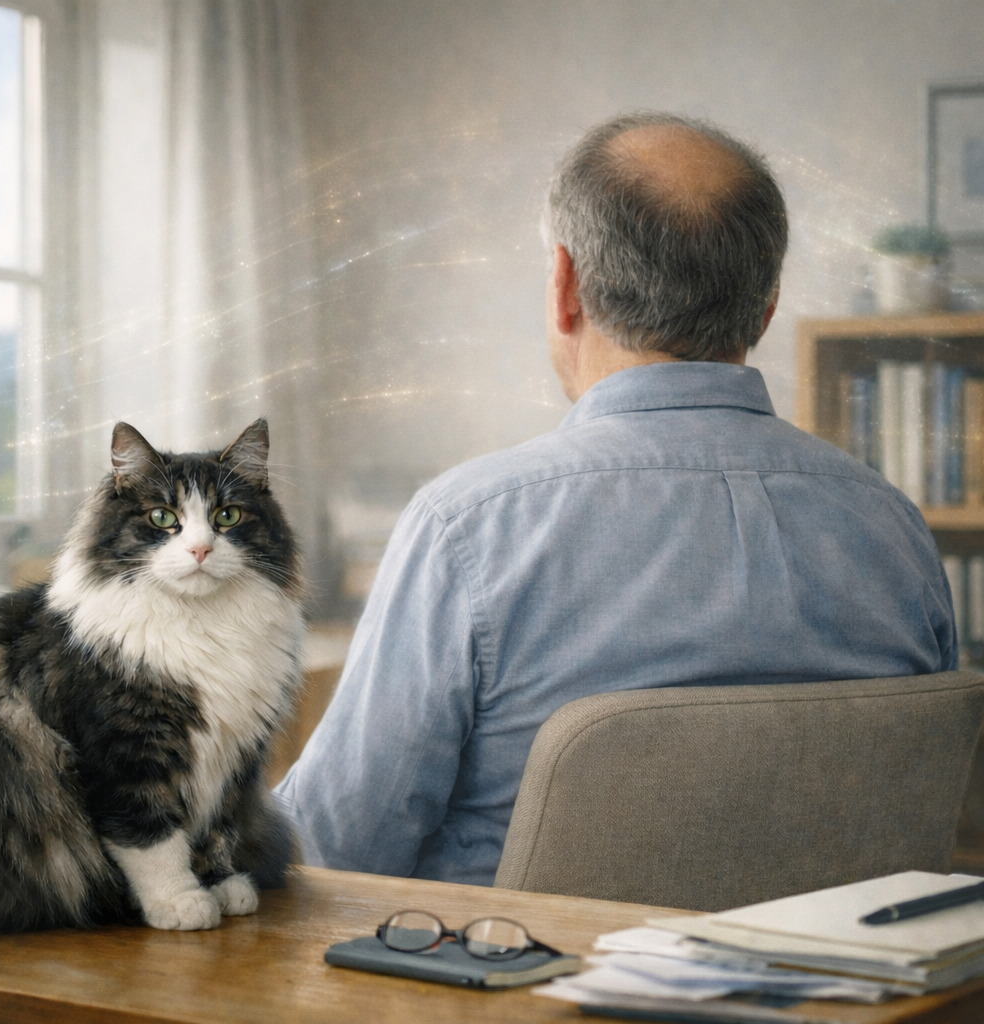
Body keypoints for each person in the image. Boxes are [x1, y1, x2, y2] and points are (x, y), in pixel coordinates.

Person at [275, 112, 956, 887]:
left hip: (517, 999)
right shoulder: (896, 531)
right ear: (766, 308)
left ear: (563, 286)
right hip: (838, 1003)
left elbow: (328, 849)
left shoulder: (467, 529)